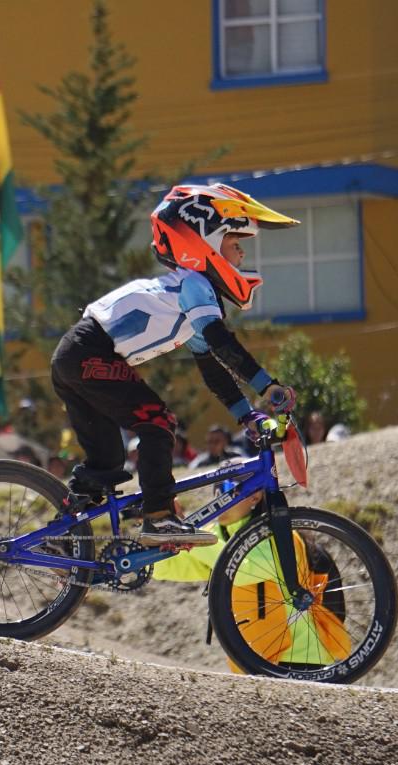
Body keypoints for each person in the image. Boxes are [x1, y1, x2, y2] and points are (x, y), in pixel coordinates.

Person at [49, 183, 298, 546]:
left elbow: (213, 368)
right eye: (235, 243)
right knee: (158, 421)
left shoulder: (187, 294)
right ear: (206, 243)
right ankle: (159, 517)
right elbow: (222, 343)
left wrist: (247, 416)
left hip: (76, 357)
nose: (242, 254)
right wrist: (267, 386)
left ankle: (58, 533)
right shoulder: (195, 285)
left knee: (106, 463)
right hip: (88, 352)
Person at [152, 473, 349, 671]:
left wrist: (190, 535)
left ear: (255, 496)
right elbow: (164, 568)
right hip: (250, 663)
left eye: (228, 491)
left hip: (299, 658)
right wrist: (160, 532)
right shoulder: (215, 535)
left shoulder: (280, 535)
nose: (220, 500)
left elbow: (244, 571)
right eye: (216, 491)